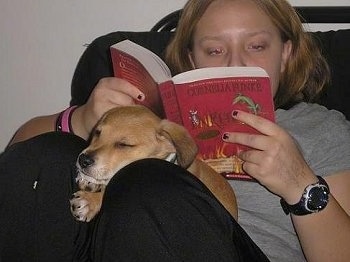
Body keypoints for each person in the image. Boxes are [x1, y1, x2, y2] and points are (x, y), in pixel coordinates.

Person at [1, 0, 350, 261]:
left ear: (286, 53)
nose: (235, 62)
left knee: (151, 181)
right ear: (192, 60)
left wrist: (301, 184)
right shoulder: (146, 122)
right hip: (107, 244)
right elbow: (21, 164)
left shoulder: (320, 128)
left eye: (257, 46)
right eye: (214, 49)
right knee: (44, 156)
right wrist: (81, 120)